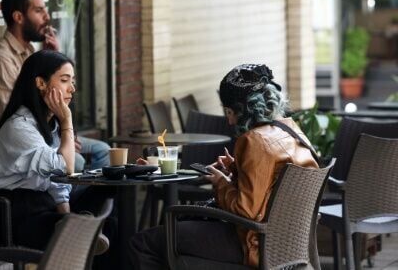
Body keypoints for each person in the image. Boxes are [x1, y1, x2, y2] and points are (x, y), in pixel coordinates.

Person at [129, 64, 319, 269]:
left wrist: (221, 183)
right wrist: (237, 172)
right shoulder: (292, 131)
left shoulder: (254, 140)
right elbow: (270, 188)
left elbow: (245, 210)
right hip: (288, 244)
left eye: (229, 112)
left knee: (144, 242)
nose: (228, 120)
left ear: (244, 110)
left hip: (253, 244)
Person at [0, 50, 115, 259]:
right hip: (17, 215)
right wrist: (67, 121)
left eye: (72, 81)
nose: (72, 89)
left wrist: (66, 215)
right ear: (41, 83)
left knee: (108, 207)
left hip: (44, 207)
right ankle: (81, 228)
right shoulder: (19, 127)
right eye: (65, 80)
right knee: (89, 233)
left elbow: (58, 182)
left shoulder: (48, 124)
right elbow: (66, 168)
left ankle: (80, 225)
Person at [0, 0, 109, 171]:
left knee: (103, 150)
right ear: (18, 17)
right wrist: (61, 137)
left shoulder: (30, 52)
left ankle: (81, 199)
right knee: (77, 162)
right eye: (39, 11)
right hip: (12, 147)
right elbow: (13, 117)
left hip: (44, 132)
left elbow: (53, 98)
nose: (47, 17)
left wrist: (54, 62)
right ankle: (62, 200)